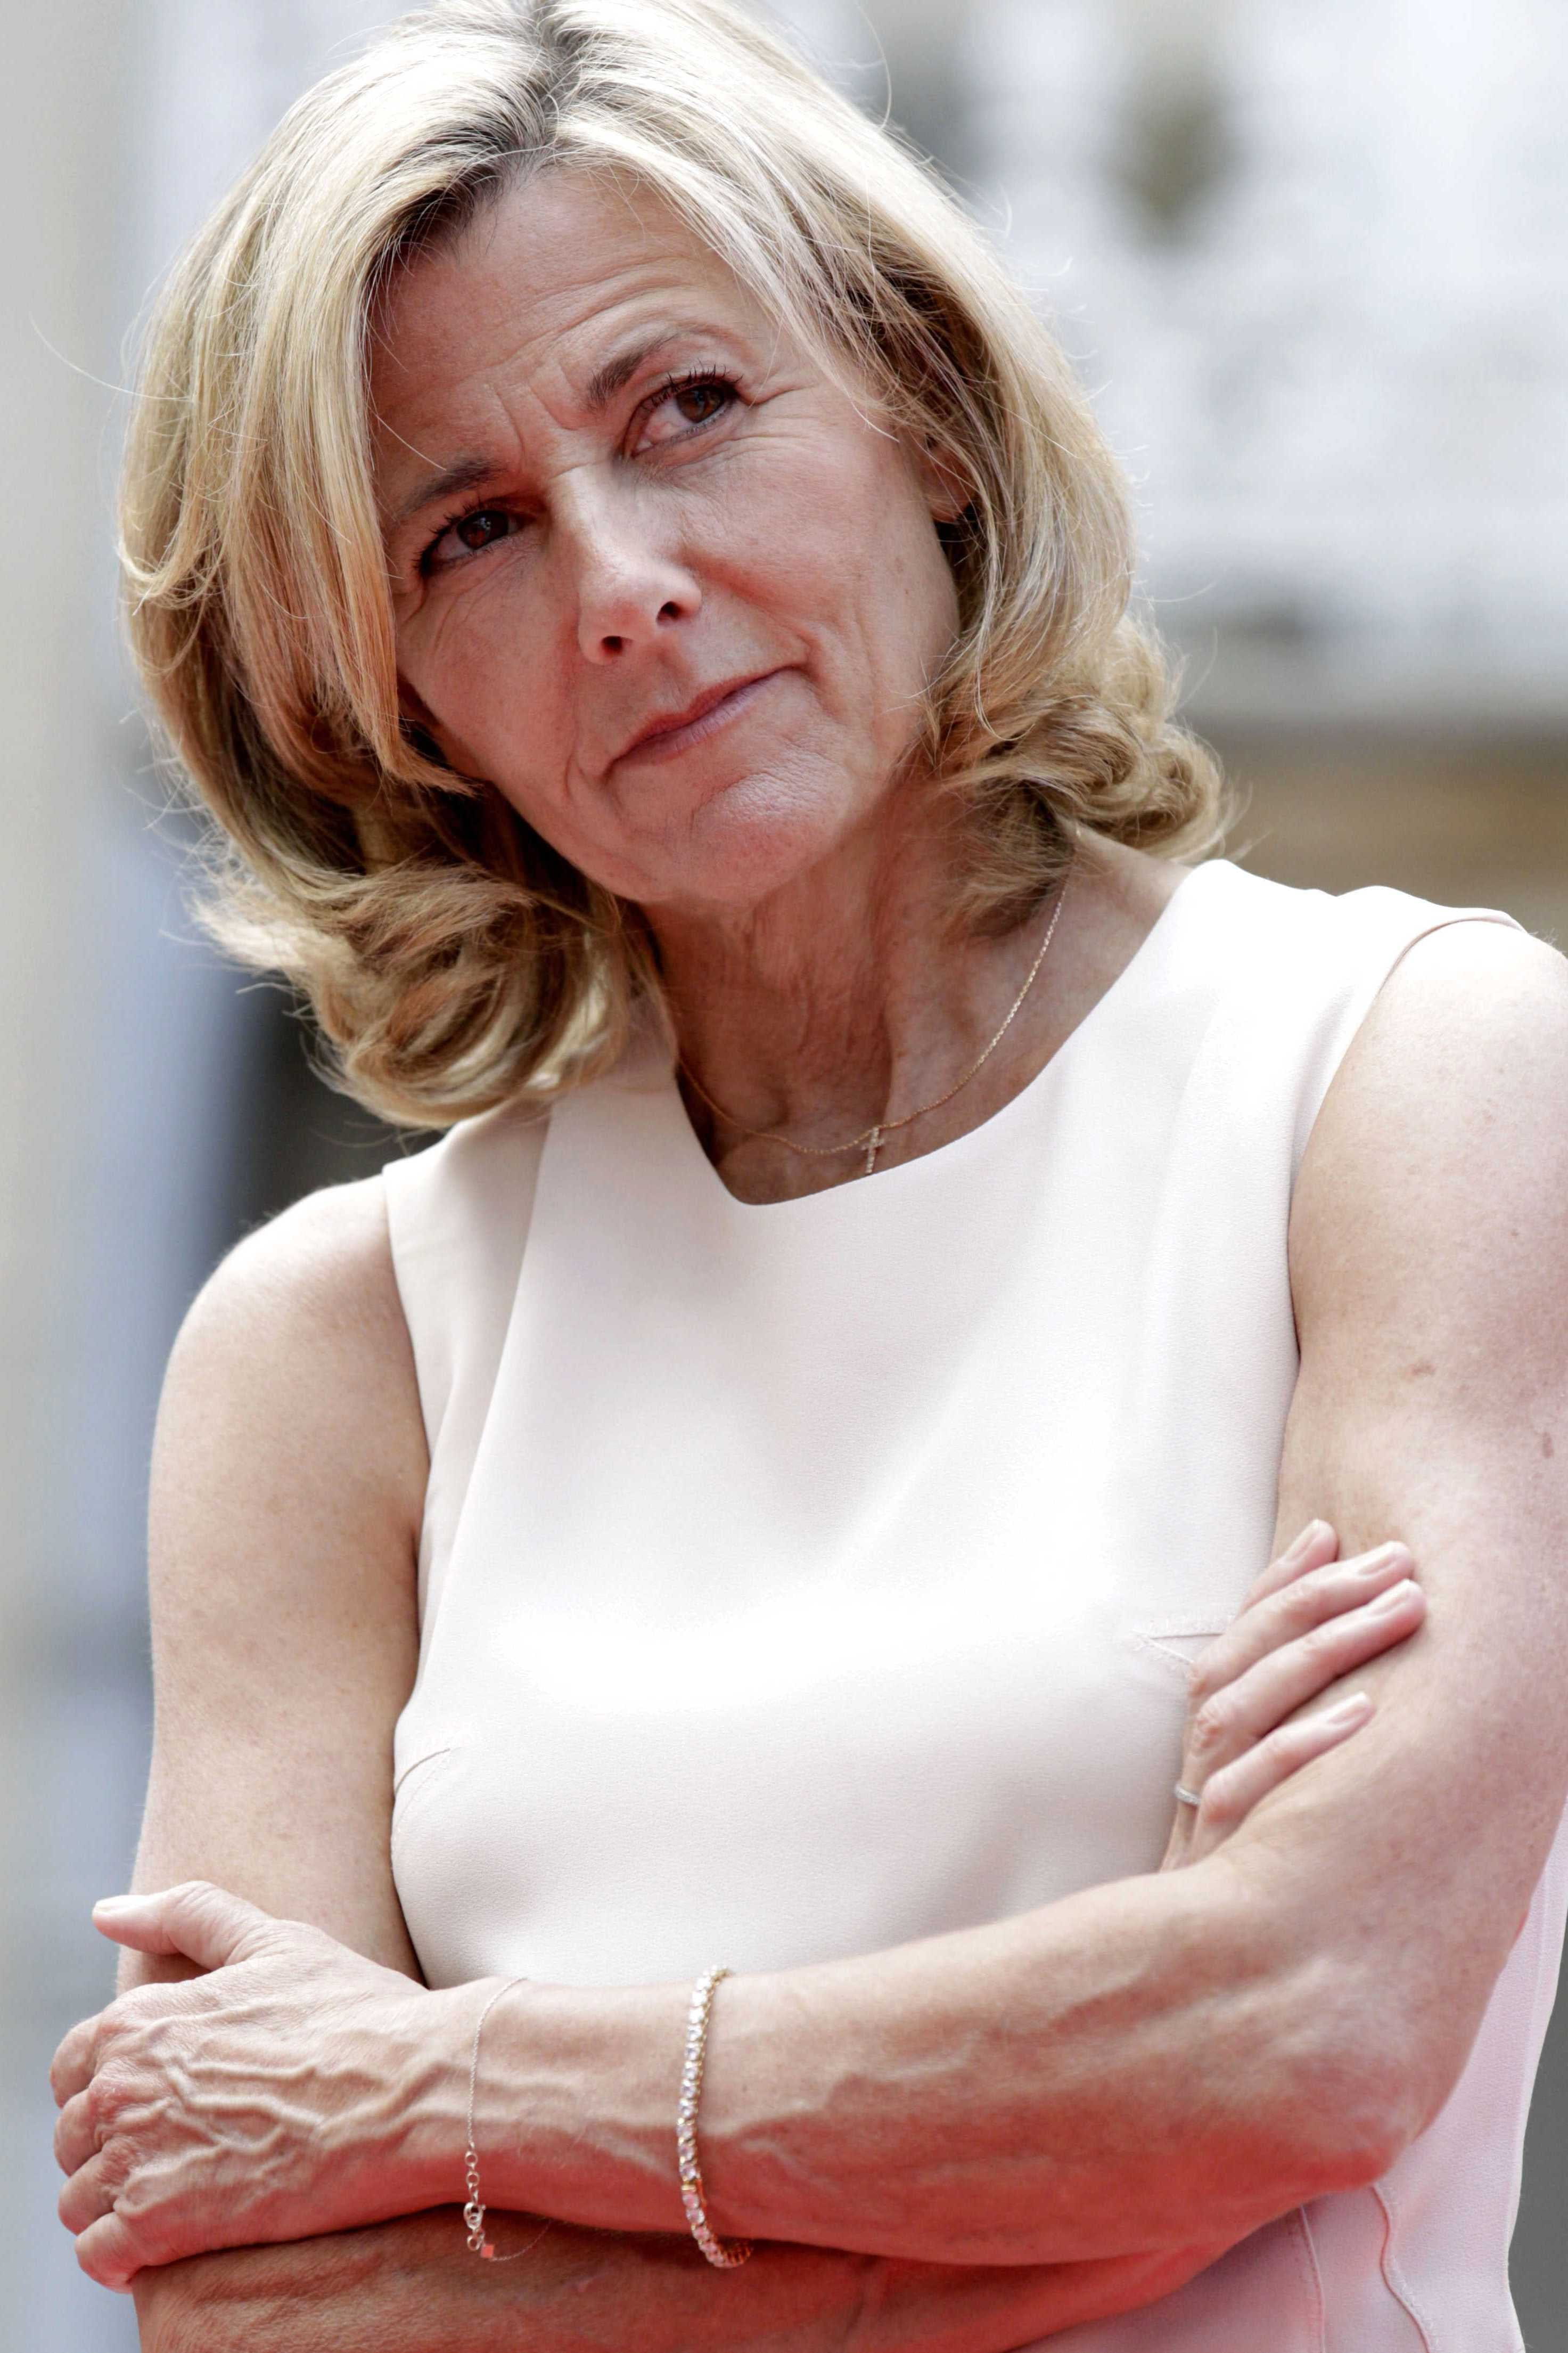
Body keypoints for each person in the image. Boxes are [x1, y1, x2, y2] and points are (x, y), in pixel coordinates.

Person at [48, 1, 1568, 2345]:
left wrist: (429, 2090)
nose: (619, 577)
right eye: (468, 531)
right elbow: (245, 2300)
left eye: (687, 407)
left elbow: (1312, 2024)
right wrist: (1072, 2134)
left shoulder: (1403, 1074)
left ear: (925, 415)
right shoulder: (336, 1347)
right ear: (390, 706)